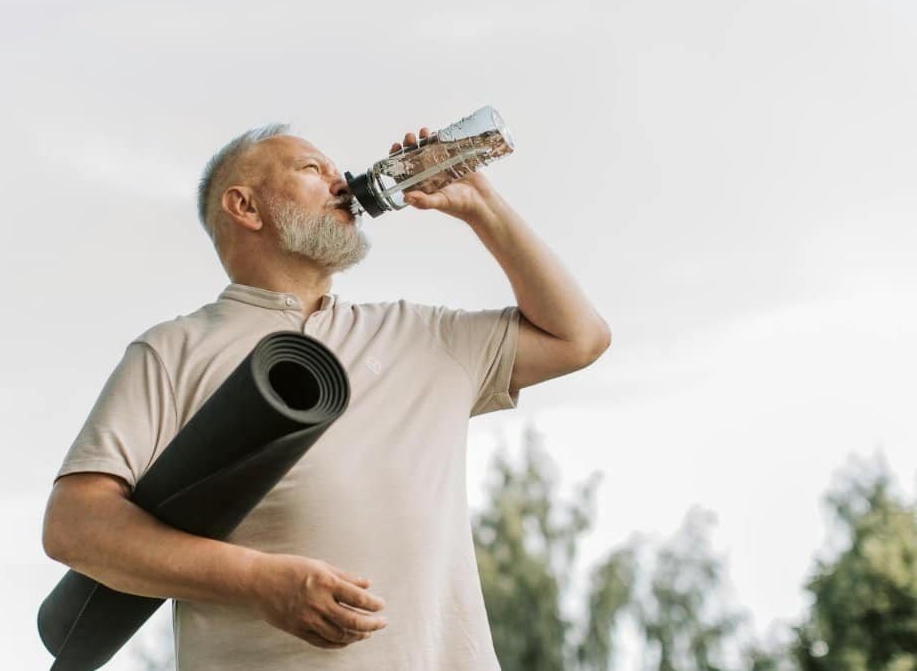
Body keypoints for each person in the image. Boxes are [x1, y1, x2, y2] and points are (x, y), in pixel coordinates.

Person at [41, 122, 611, 670]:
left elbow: (578, 337)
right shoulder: (174, 350)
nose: (342, 182)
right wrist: (257, 580)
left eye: (338, 169)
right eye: (312, 169)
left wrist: (482, 205)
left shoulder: (423, 335)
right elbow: (75, 527)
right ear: (245, 207)